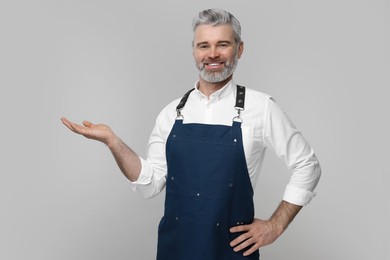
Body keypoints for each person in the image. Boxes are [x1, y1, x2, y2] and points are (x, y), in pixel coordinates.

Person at [61, 8, 321, 260]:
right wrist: (112, 142)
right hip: (176, 248)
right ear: (194, 51)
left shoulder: (261, 108)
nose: (213, 54)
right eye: (204, 45)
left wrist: (275, 225)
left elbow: (307, 165)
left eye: (223, 44)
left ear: (239, 49)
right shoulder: (171, 113)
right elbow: (149, 184)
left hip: (232, 252)